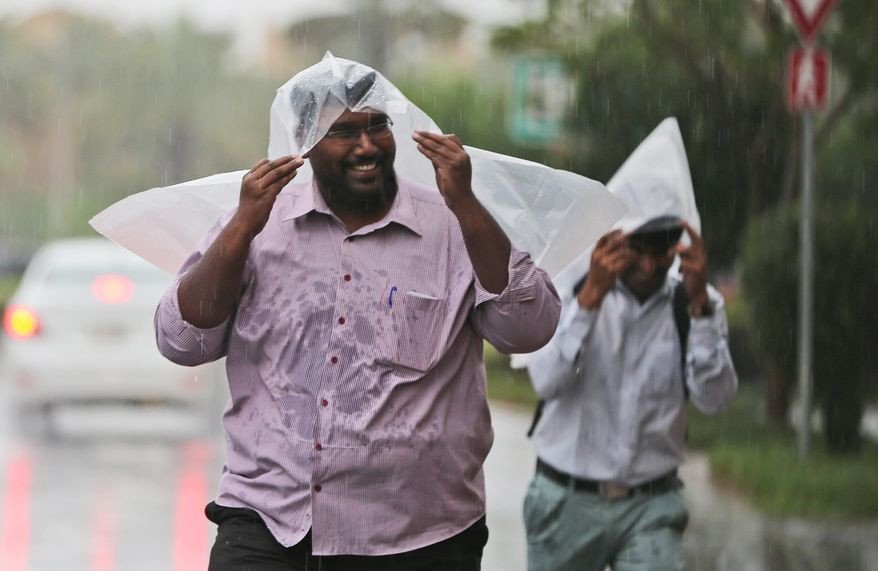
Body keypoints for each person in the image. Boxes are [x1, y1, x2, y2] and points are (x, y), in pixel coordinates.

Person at [154, 57, 561, 570]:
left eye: (378, 127)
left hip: (420, 539)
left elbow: (529, 330)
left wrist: (467, 203)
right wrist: (241, 229)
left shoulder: (455, 224)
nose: (367, 146)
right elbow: (182, 342)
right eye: (344, 133)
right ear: (304, 143)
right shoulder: (258, 225)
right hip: (268, 527)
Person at [523, 215, 738, 571]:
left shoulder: (697, 301)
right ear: (611, 240)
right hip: (565, 502)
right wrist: (590, 299)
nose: (650, 265)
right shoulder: (566, 287)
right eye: (636, 250)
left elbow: (714, 401)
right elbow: (545, 381)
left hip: (651, 505)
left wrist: (700, 306)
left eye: (662, 252)